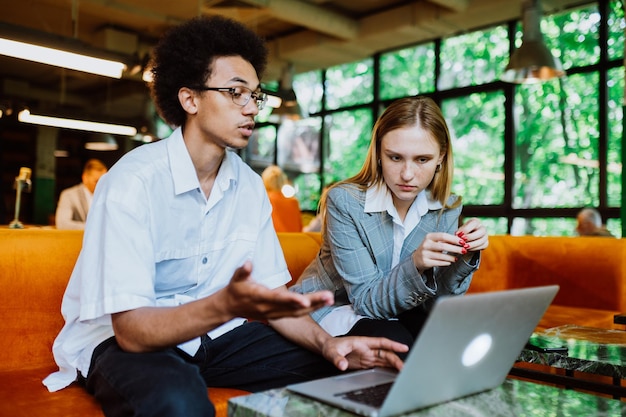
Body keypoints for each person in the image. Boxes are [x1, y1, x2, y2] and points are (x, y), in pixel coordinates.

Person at [43, 15, 408, 417]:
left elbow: (271, 301)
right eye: (236, 93)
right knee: (177, 402)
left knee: (360, 364)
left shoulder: (250, 187)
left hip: (217, 336)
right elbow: (131, 332)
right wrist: (224, 305)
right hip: (120, 340)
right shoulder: (132, 182)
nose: (252, 107)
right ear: (190, 99)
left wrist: (329, 344)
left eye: (256, 95)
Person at [290, 96, 489, 348]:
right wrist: (416, 263)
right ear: (379, 154)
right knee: (398, 343)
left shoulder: (446, 208)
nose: (407, 174)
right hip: (333, 311)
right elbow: (365, 302)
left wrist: (466, 256)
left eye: (422, 160)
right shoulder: (345, 202)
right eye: (395, 157)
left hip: (397, 313)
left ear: (441, 157)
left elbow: (440, 302)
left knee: (459, 337)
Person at [54, 158, 108, 229]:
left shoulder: (108, 196)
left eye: (104, 182)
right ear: (85, 178)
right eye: (96, 181)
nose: (101, 185)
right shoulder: (69, 195)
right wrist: (94, 228)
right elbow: (62, 223)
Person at [262, 164, 303, 232]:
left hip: (272, 241)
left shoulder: (264, 201)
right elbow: (300, 229)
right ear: (283, 180)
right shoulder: (294, 202)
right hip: (294, 241)